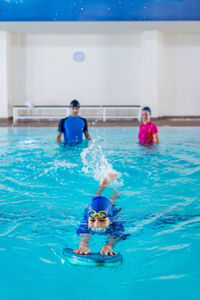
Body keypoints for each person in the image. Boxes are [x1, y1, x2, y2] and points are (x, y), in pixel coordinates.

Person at [74, 173, 128, 256]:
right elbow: (84, 236)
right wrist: (83, 246)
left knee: (113, 202)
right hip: (93, 211)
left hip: (111, 211)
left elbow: (118, 236)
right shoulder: (86, 222)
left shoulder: (116, 223)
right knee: (95, 201)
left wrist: (109, 245)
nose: (96, 224)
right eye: (92, 220)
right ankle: (101, 187)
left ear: (111, 221)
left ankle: (117, 188)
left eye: (102, 220)